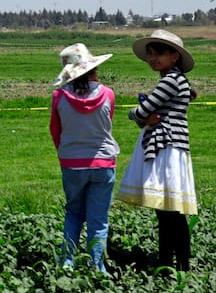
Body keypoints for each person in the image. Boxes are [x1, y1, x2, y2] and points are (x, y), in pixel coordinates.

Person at [117, 30, 198, 271]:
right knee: (169, 211)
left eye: (159, 53)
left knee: (168, 212)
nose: (153, 58)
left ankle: (173, 265)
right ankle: (176, 265)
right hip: (172, 146)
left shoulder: (170, 81)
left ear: (175, 56)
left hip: (166, 147)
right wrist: (146, 116)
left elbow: (142, 112)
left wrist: (137, 114)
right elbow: (149, 115)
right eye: (150, 54)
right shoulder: (176, 80)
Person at [50, 43, 118, 271]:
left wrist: (66, 152)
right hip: (103, 162)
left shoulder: (59, 96)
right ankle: (96, 266)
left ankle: (67, 263)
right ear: (94, 69)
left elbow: (55, 131)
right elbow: (107, 125)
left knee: (73, 212)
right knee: (98, 219)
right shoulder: (108, 94)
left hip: (72, 163)